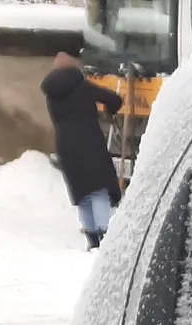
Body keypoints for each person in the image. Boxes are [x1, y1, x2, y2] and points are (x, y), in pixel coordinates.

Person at [40, 53, 122, 250]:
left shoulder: (51, 94)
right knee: (98, 190)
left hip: (65, 146)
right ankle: (105, 237)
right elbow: (113, 99)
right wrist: (110, 110)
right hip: (88, 141)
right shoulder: (82, 86)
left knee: (83, 194)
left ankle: (92, 238)